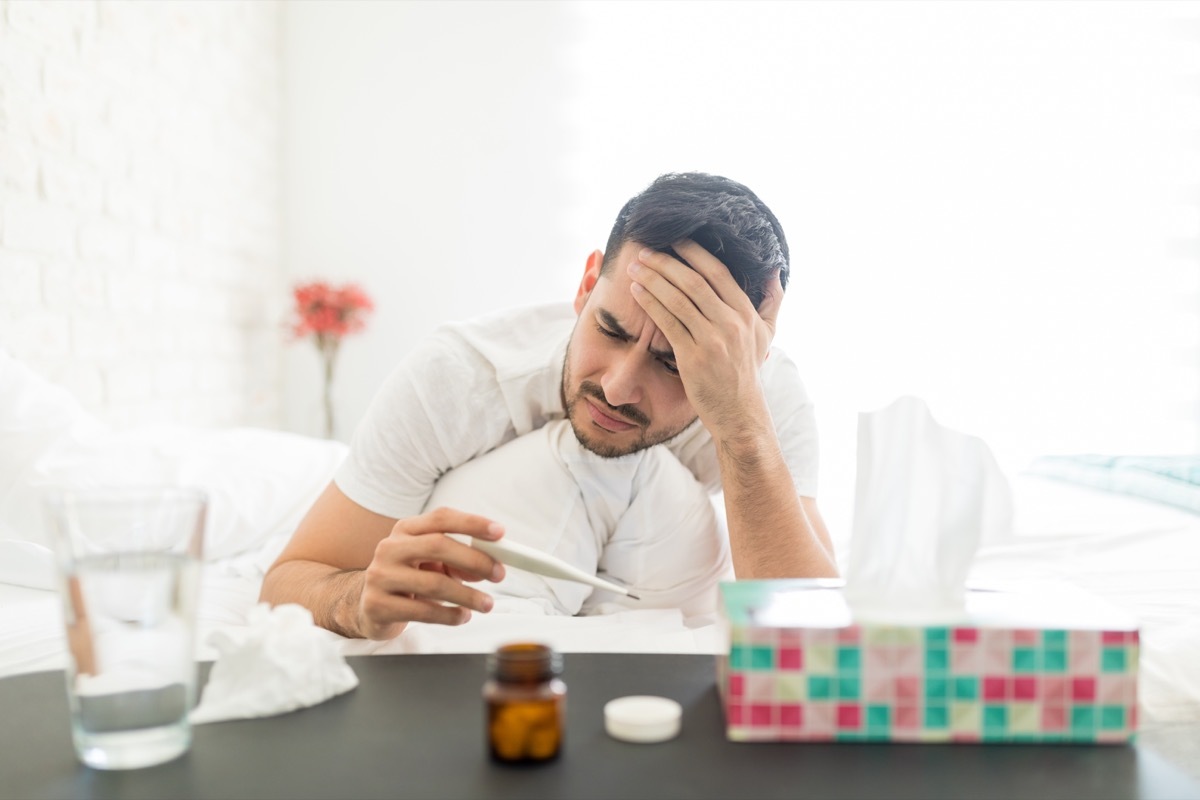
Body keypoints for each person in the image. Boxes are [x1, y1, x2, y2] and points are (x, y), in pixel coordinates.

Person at [260, 172, 838, 640]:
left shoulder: (763, 400)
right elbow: (290, 578)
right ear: (587, 286)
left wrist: (741, 425)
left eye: (673, 363)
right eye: (610, 329)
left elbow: (811, 638)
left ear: (748, 357)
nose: (617, 387)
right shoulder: (458, 377)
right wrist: (356, 598)